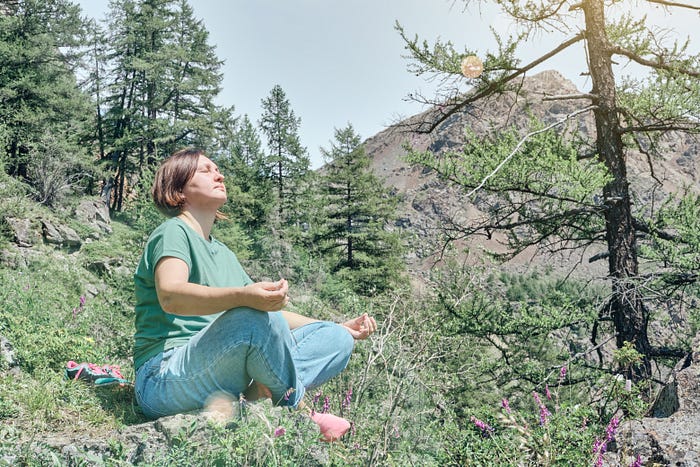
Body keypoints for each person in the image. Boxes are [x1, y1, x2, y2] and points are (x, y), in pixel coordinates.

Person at [133, 147, 377, 441]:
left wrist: (334, 326)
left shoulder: (222, 252)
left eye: (217, 169)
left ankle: (253, 395)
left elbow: (268, 316)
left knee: (336, 340)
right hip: (164, 378)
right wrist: (245, 297)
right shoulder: (173, 232)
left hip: (222, 370)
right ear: (179, 186)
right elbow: (171, 295)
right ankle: (299, 412)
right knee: (253, 317)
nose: (219, 175)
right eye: (206, 170)